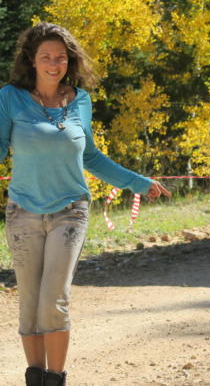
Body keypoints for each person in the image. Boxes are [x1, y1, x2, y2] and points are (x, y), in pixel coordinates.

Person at [0, 22, 170, 386]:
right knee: (29, 303)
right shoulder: (10, 98)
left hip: (69, 211)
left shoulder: (79, 101)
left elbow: (90, 156)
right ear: (31, 60)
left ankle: (56, 378)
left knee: (53, 298)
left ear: (69, 61)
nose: (53, 63)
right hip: (23, 213)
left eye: (60, 57)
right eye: (45, 56)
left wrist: (137, 182)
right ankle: (35, 380)